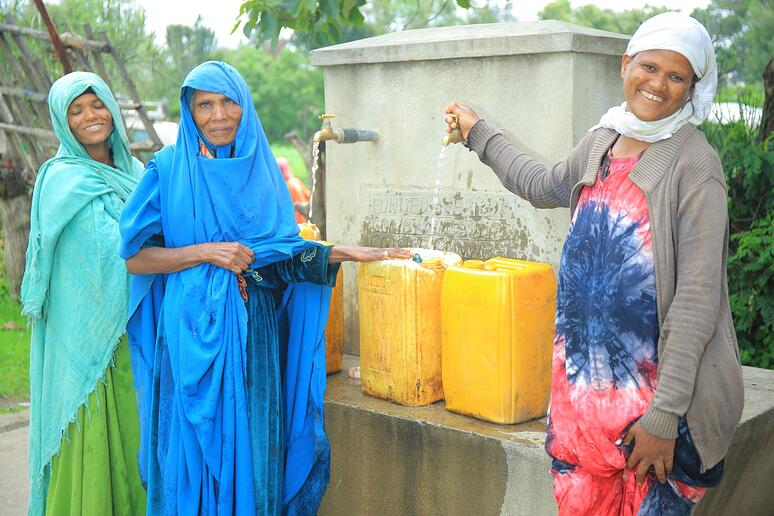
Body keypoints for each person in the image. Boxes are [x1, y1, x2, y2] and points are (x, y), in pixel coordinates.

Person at [445, 12, 743, 515]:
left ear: (694, 87)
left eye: (677, 77)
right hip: (583, 410)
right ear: (626, 64)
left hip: (656, 424)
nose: (658, 85)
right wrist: (479, 134)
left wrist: (664, 419)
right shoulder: (603, 140)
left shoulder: (695, 165)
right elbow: (542, 183)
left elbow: (695, 301)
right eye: (649, 67)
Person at [119, 61, 409, 515]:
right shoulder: (169, 169)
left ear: (245, 105)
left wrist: (344, 253)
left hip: (255, 338)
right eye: (204, 105)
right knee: (193, 459)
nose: (218, 116)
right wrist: (207, 251)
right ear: (189, 111)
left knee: (254, 456)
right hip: (190, 336)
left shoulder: (263, 172)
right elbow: (136, 258)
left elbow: (278, 255)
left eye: (228, 102)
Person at [20, 72, 146, 515]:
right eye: (76, 110)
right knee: (91, 427)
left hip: (137, 329)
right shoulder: (62, 180)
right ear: (62, 121)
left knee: (137, 437)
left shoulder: (136, 172)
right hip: (86, 337)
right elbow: (108, 254)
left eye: (97, 105)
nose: (91, 116)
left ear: (112, 107)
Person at [276, 156, 311, 223]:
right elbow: (308, 195)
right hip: (304, 219)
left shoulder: (290, 185)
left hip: (298, 221)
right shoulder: (295, 181)